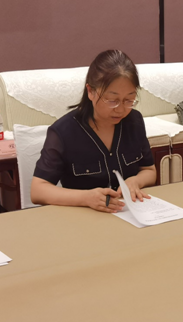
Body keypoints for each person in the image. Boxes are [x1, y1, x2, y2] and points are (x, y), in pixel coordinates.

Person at [31, 49, 157, 213]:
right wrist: (86, 198)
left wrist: (135, 181)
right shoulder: (63, 132)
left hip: (129, 213)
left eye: (129, 100)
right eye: (112, 100)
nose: (120, 109)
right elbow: (38, 190)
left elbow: (149, 170)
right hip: (83, 217)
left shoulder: (134, 121)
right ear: (90, 91)